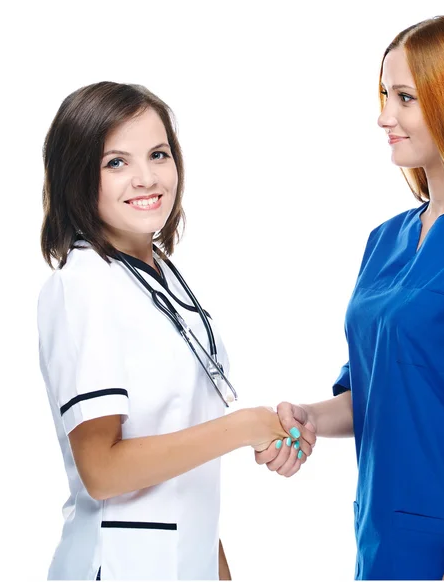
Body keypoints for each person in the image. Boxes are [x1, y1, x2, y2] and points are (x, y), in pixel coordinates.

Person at [256, 14, 444, 580]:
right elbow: (377, 391)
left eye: (405, 98)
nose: (384, 117)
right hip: (384, 545)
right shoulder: (386, 240)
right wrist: (309, 417)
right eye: (385, 94)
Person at [37, 82, 312, 581]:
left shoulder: (158, 277)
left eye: (158, 154)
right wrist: (244, 428)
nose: (146, 178)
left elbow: (182, 465)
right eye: (116, 162)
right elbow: (102, 471)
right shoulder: (83, 286)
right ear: (76, 176)